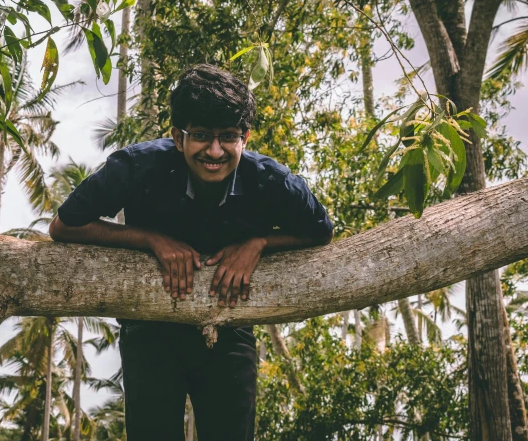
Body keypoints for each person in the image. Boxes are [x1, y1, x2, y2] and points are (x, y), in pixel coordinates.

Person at [49, 64, 333, 441]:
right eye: (201, 135)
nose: (214, 151)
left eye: (228, 137)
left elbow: (321, 232)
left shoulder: (272, 181)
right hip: (149, 327)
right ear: (178, 137)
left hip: (230, 330)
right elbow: (64, 225)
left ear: (244, 138)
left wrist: (259, 243)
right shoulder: (136, 166)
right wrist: (152, 239)